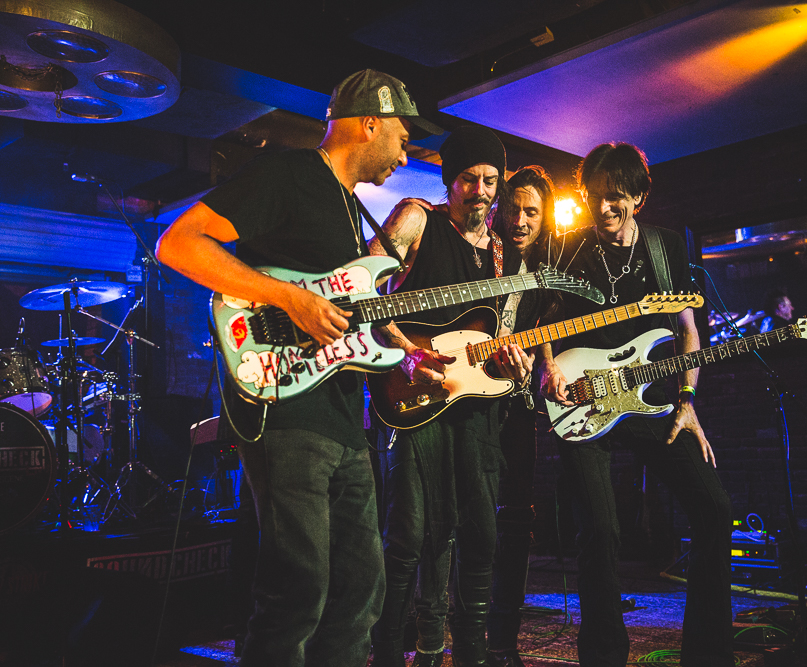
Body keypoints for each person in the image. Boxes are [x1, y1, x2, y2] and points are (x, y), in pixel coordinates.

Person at [155, 69, 442, 667]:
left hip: (344, 421)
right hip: (286, 412)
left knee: (363, 588)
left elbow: (349, 311)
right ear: (370, 122)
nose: (405, 151)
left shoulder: (351, 209)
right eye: (402, 135)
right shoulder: (290, 174)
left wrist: (407, 351)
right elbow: (179, 243)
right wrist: (290, 298)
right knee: (298, 589)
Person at [538, 143, 733, 667]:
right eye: (594, 197)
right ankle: (603, 658)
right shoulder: (566, 249)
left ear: (640, 198)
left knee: (715, 510)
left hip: (652, 403)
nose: (603, 209)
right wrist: (549, 366)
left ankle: (709, 654)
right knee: (599, 531)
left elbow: (688, 331)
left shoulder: (669, 249)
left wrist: (688, 400)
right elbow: (543, 322)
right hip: (584, 406)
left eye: (615, 198)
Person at [369, 125, 533, 667]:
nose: (481, 192)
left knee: (482, 533)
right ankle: (390, 653)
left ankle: (472, 655)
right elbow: (361, 287)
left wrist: (519, 363)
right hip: (413, 397)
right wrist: (405, 353)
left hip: (477, 407)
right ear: (449, 180)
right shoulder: (417, 218)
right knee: (410, 534)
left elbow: (504, 335)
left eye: (490, 181)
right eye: (469, 179)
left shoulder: (506, 259)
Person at [486, 166, 558, 667]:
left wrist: (540, 363)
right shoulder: (483, 256)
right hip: (471, 400)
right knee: (464, 518)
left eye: (531, 211)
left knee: (515, 523)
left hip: (518, 407)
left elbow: (551, 333)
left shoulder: (551, 270)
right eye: (513, 208)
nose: (520, 219)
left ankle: (503, 644)